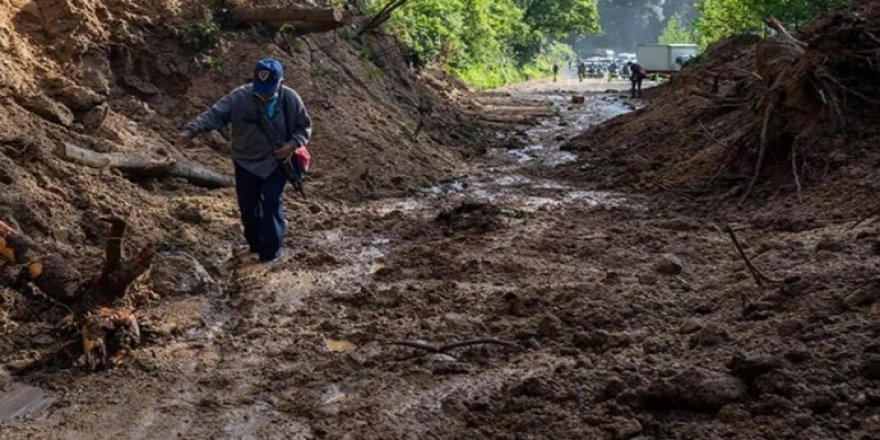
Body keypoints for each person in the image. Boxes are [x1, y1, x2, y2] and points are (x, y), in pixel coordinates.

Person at [177, 58, 312, 263]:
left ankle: (270, 254)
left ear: (281, 82)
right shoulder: (238, 97)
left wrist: (292, 145)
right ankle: (255, 245)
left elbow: (304, 127)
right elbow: (213, 115)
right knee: (248, 207)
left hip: (277, 162)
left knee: (271, 201)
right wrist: (190, 131)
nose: (264, 93)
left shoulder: (290, 99)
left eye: (270, 88)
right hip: (245, 161)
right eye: (261, 87)